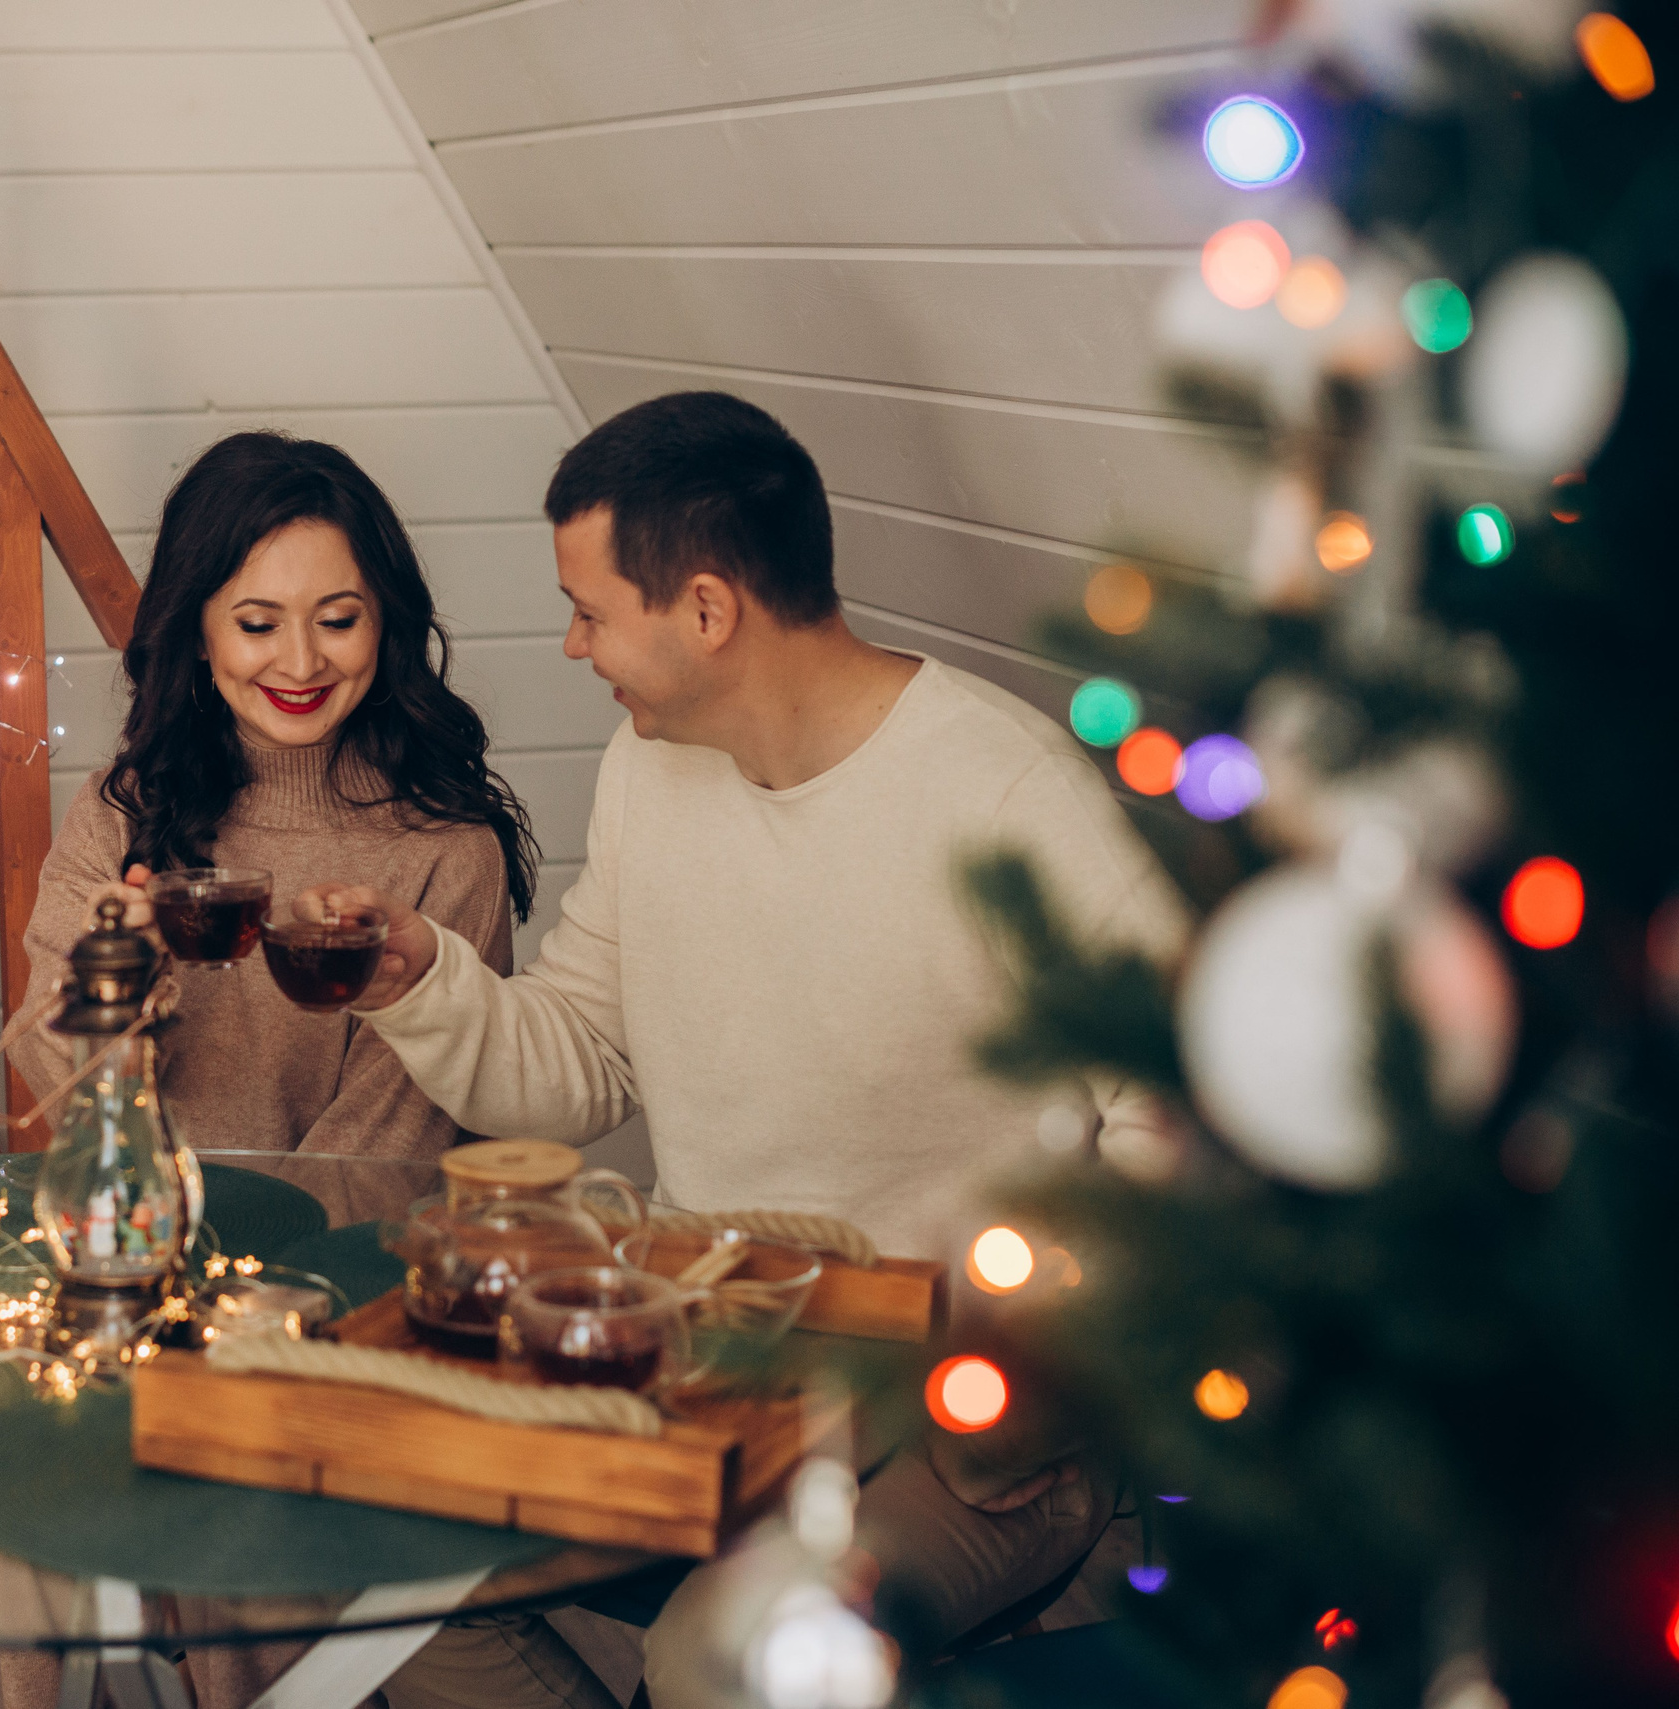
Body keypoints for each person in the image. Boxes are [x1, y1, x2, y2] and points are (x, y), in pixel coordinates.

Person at [301, 392, 1190, 1703]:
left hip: (966, 1420)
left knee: (721, 1665)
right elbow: (578, 1064)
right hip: (705, 1371)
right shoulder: (650, 767)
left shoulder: (1005, 792)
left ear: (708, 610)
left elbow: (1183, 1117)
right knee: (363, 1556)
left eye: (592, 611)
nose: (571, 642)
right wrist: (417, 977)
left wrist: (1026, 1355)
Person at [5, 428, 538, 1158]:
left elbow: (392, 1151)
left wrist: (252, 1268)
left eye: (339, 620)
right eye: (258, 624)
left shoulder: (446, 848)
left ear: (384, 623)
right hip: (149, 1248)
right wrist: (116, 987)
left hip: (347, 1265)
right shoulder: (117, 813)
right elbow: (56, 1082)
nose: (301, 661)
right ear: (198, 633)